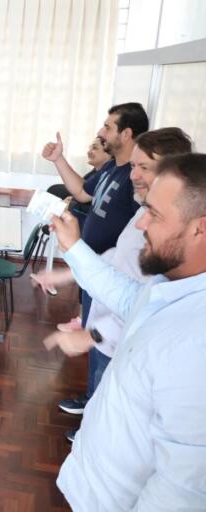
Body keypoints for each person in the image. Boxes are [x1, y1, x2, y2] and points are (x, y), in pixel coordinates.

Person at [45, 152, 206, 511]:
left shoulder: (198, 345)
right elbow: (128, 297)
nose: (140, 223)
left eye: (155, 214)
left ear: (201, 228)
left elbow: (181, 492)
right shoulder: (173, 283)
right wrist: (73, 247)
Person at [33, 127, 193, 441]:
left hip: (117, 338)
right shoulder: (143, 213)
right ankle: (90, 416)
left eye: (144, 167)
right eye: (133, 166)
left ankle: (93, 431)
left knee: (112, 405)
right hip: (104, 320)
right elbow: (116, 260)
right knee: (99, 385)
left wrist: (92, 334)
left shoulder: (170, 242)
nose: (133, 175)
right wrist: (69, 267)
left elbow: (145, 305)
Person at [42, 102, 148, 330]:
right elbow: (82, 192)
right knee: (91, 330)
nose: (101, 132)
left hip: (114, 277)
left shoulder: (135, 179)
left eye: (108, 127)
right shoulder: (111, 168)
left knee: (103, 337)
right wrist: (58, 159)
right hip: (92, 269)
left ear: (126, 134)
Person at [46, 137, 110, 201]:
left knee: (55, 190)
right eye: (89, 148)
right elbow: (83, 191)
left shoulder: (107, 177)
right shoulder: (95, 172)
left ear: (110, 153)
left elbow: (84, 195)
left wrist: (72, 203)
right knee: (54, 189)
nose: (88, 152)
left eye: (94, 148)